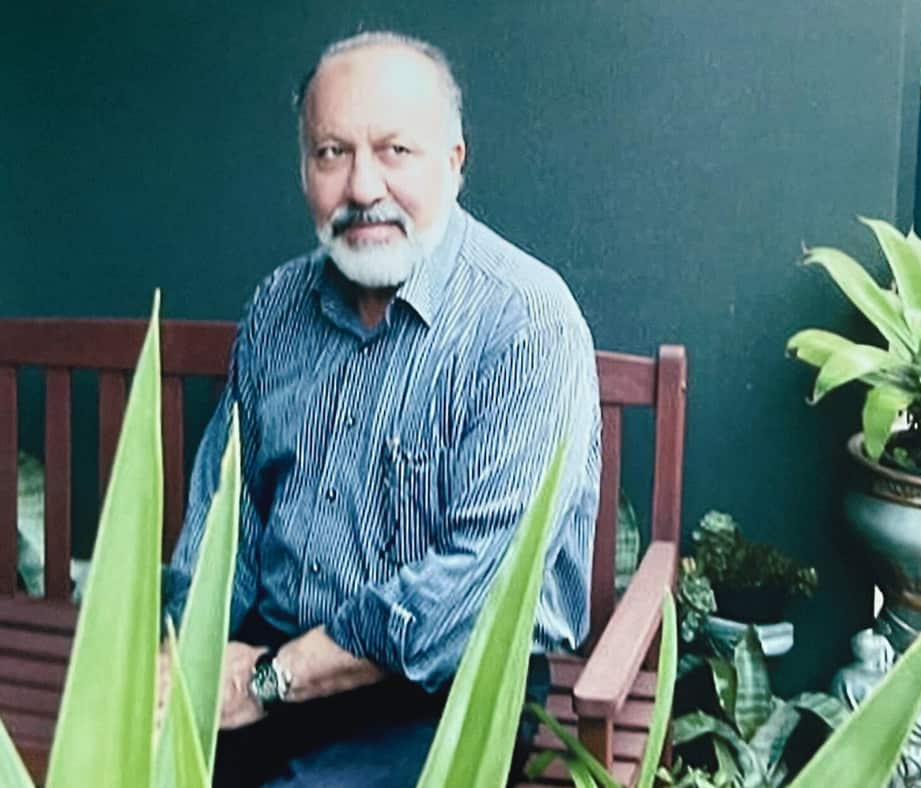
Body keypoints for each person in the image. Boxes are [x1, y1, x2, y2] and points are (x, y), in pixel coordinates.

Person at [162, 30, 601, 787]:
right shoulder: (277, 308)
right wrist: (183, 653)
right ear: (304, 171)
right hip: (267, 658)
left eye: (395, 151)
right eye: (332, 153)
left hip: (443, 687)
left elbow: (480, 584)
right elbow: (221, 516)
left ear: (455, 162)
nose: (363, 187)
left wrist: (272, 679)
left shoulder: (527, 323)